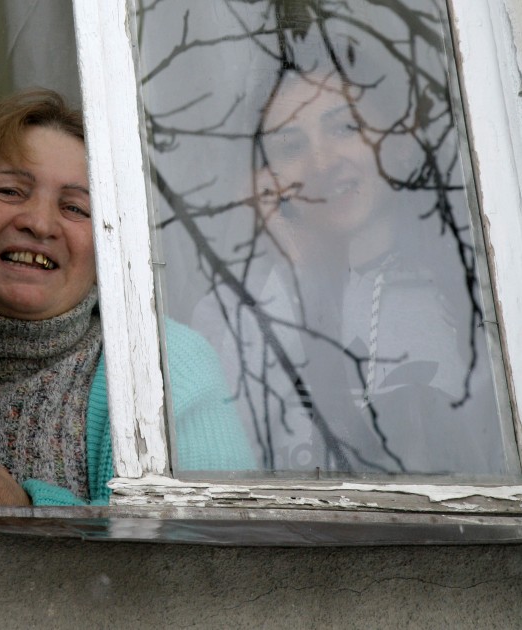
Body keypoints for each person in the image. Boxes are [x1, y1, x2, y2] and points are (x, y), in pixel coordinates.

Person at [0, 88, 255, 507]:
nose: (38, 223)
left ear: (111, 243)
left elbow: (211, 548)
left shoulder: (163, 367)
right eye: (10, 192)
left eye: (76, 208)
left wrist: (30, 512)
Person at [192, 67, 508, 474]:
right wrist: (298, 273)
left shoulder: (478, 291)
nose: (321, 162)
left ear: (399, 143)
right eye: (291, 147)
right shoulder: (230, 312)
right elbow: (222, 478)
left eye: (344, 128)